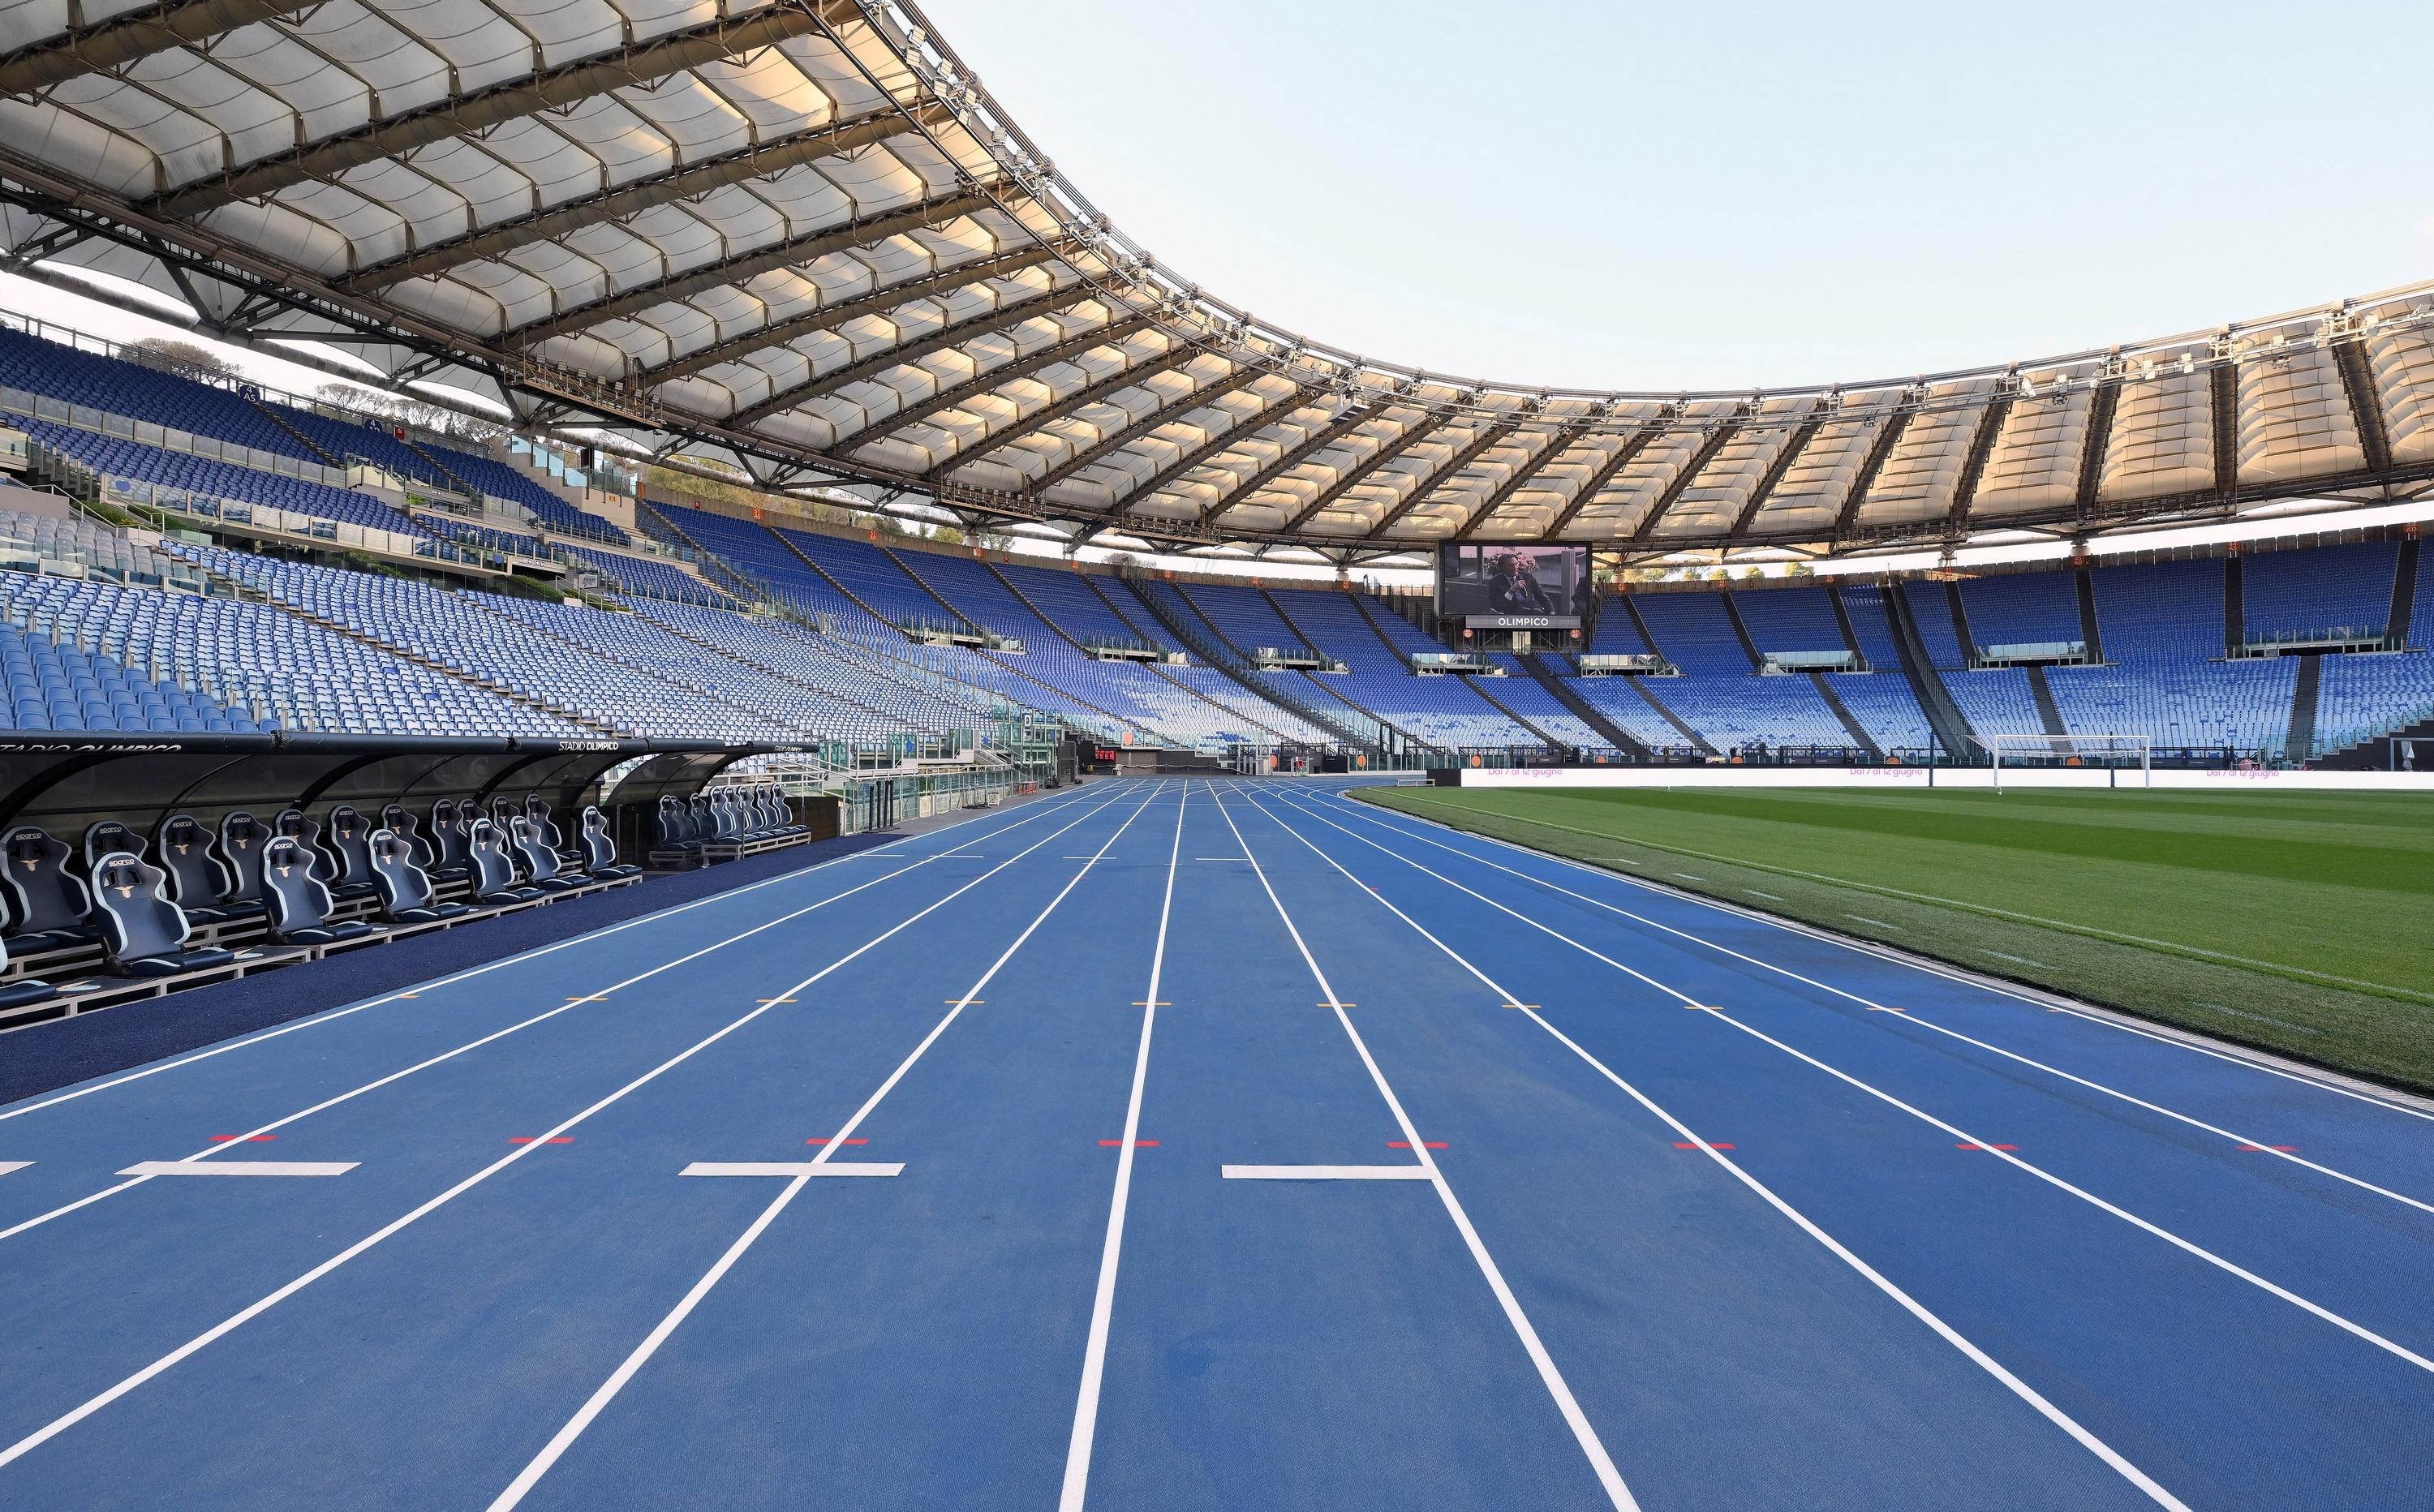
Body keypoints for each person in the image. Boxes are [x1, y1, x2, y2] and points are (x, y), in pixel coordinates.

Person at [1487, 551, 1554, 614]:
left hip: (1533, 611)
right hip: (1512, 615)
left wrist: (1551, 612)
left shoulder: (1528, 576)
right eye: (1511, 565)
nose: (1515, 567)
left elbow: (1543, 597)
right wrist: (1511, 591)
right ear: (1502, 567)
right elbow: (1498, 607)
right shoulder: (1494, 582)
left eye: (1516, 564)